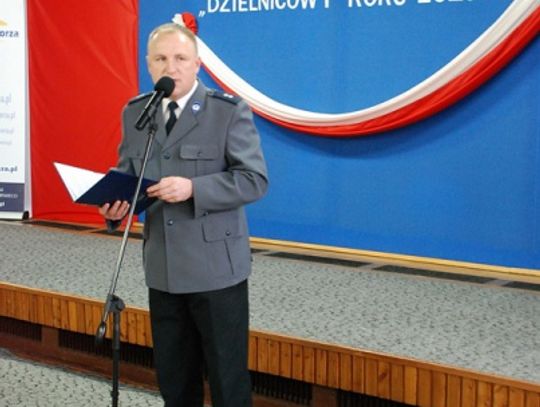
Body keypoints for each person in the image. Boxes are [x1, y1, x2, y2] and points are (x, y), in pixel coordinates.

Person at [99, 22, 268, 407]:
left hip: (216, 270)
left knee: (227, 380)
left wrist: (194, 189)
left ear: (197, 64)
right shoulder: (136, 113)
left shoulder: (227, 112)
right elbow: (128, 176)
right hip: (163, 267)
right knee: (175, 382)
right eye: (161, 59)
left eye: (180, 58)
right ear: (149, 64)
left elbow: (254, 180)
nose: (170, 67)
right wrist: (115, 207)